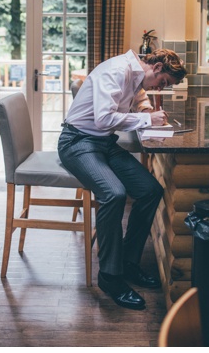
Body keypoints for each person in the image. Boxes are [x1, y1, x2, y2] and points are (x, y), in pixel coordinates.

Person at [58, 48, 185, 310]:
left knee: (150, 190)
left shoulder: (135, 74)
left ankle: (128, 262)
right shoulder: (117, 71)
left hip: (103, 144)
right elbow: (104, 119)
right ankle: (110, 276)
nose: (160, 87)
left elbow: (138, 94)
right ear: (157, 67)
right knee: (113, 194)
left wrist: (146, 107)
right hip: (77, 143)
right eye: (162, 82)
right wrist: (146, 118)